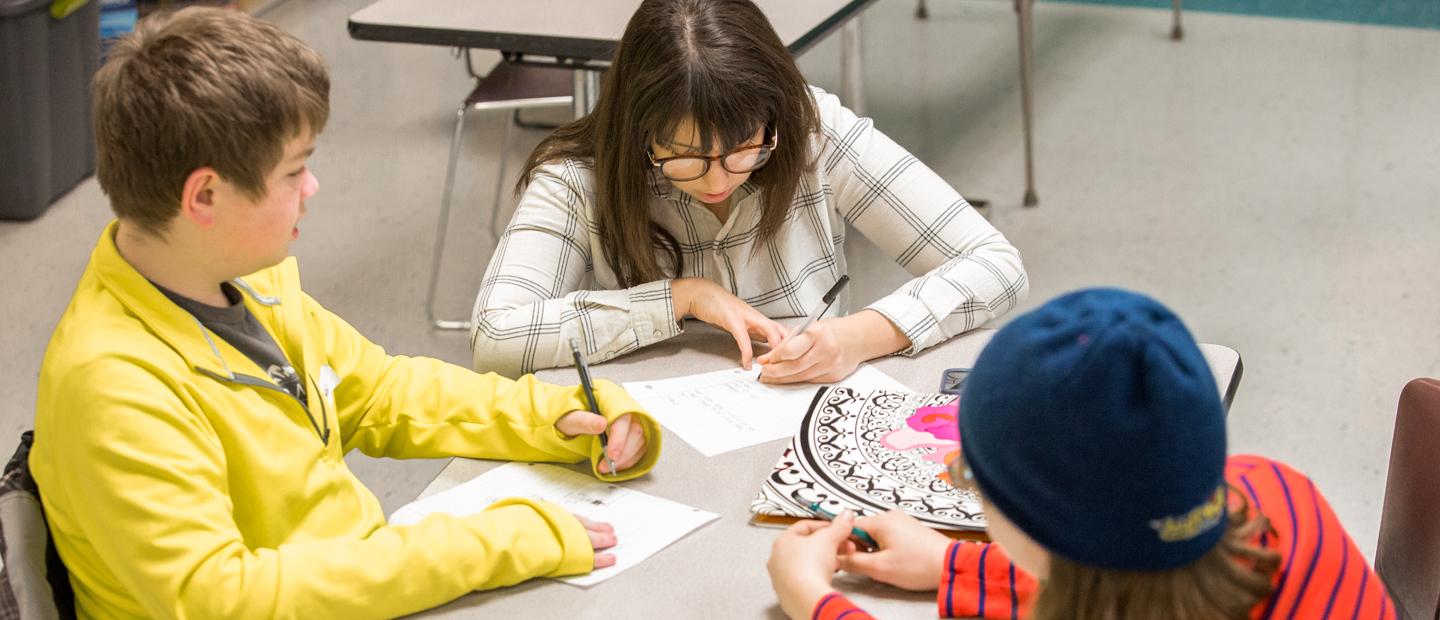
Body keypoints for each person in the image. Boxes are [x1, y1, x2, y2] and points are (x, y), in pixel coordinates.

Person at [29, 9, 657, 618]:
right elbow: (224, 601)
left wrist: (554, 415)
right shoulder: (112, 387)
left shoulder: (245, 280)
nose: (314, 187)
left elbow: (381, 392)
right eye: (294, 170)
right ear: (205, 195)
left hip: (348, 579)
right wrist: (496, 543)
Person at [469, 0, 1028, 382]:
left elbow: (996, 265)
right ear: (638, 130)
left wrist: (859, 337)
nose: (717, 180)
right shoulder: (580, 175)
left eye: (743, 148)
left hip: (800, 418)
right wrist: (678, 298)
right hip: (649, 435)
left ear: (771, 114)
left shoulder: (813, 131)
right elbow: (495, 335)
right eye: (684, 156)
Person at [766, 288, 1394, 619]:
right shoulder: (1275, 489)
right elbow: (1120, 571)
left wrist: (813, 599)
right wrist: (955, 565)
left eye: (973, 476)